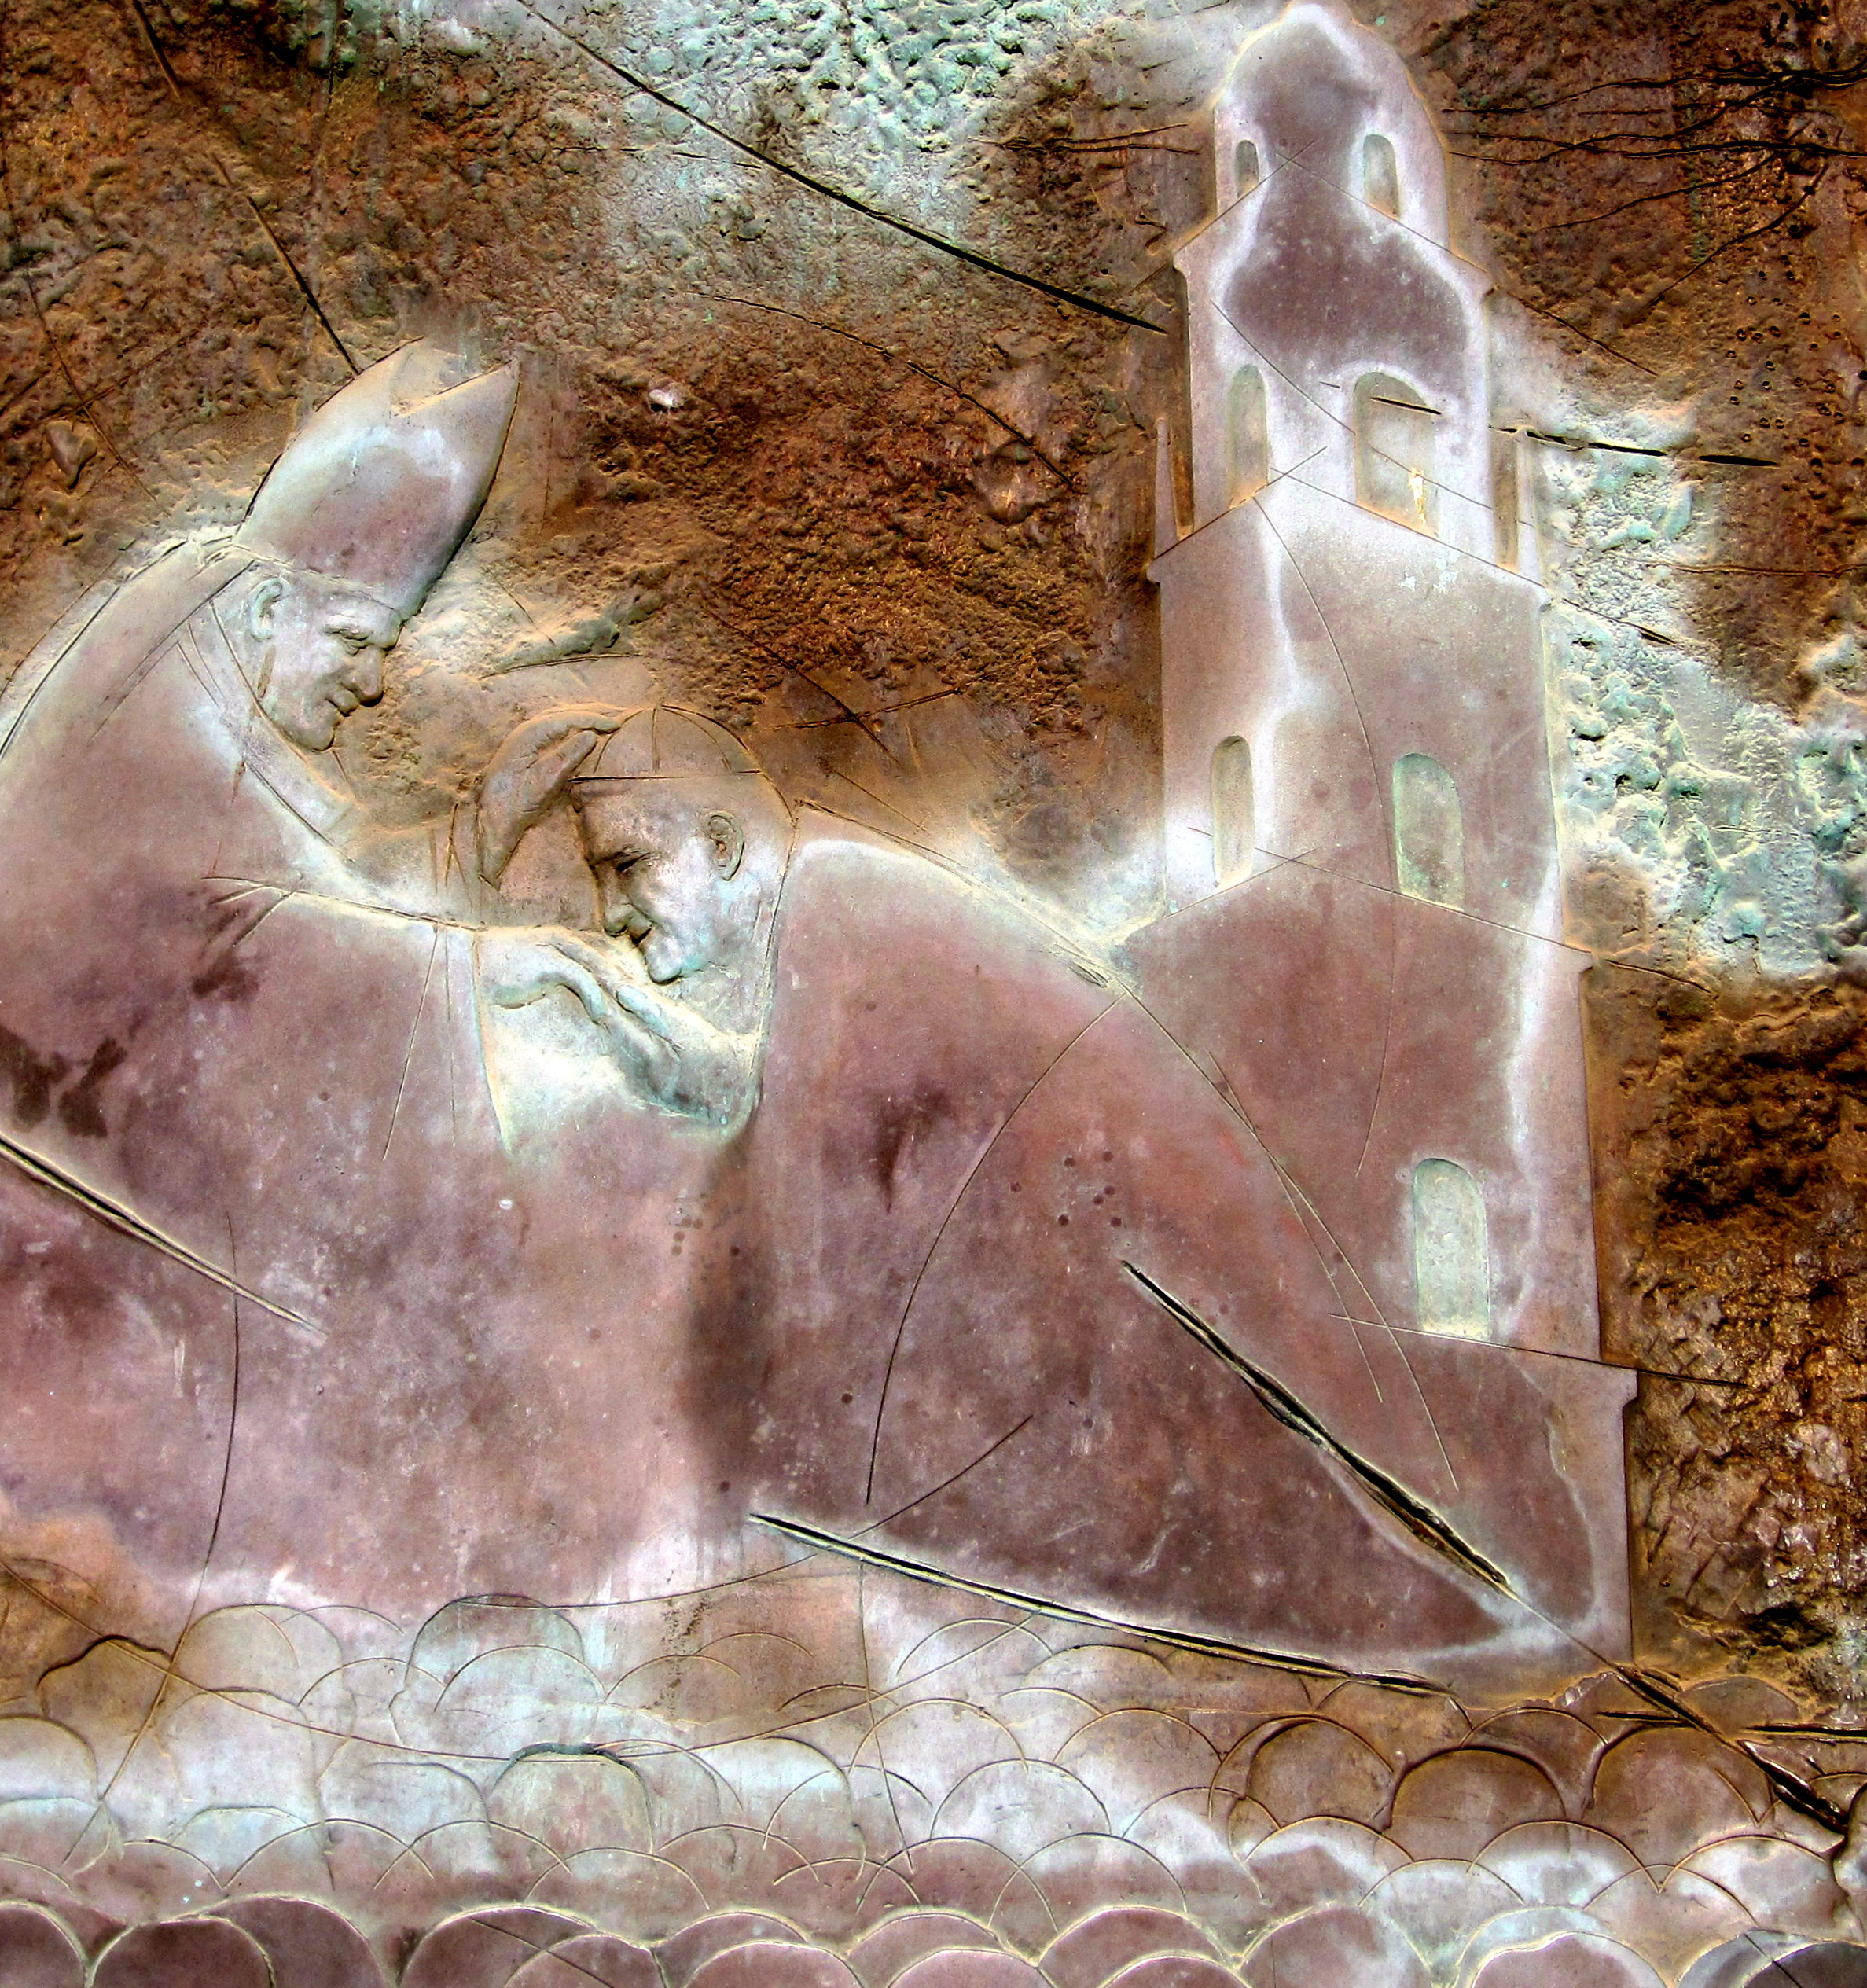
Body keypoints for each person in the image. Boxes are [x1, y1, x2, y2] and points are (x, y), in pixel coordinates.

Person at [0, 352, 690, 1625]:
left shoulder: (211, 720)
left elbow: (300, 908)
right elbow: (248, 961)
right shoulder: (147, 742)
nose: (372, 684)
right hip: (42, 1267)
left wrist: (478, 854)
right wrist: (475, 969)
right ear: (262, 615)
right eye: (357, 643)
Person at [481, 707, 1591, 1685]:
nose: (611, 910)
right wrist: (595, 997)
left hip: (1174, 1368)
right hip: (1110, 1377)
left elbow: (806, 1233)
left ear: (723, 847)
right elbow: (762, 1100)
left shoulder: (845, 909)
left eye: (627, 866)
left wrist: (725, 1466)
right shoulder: (832, 900)